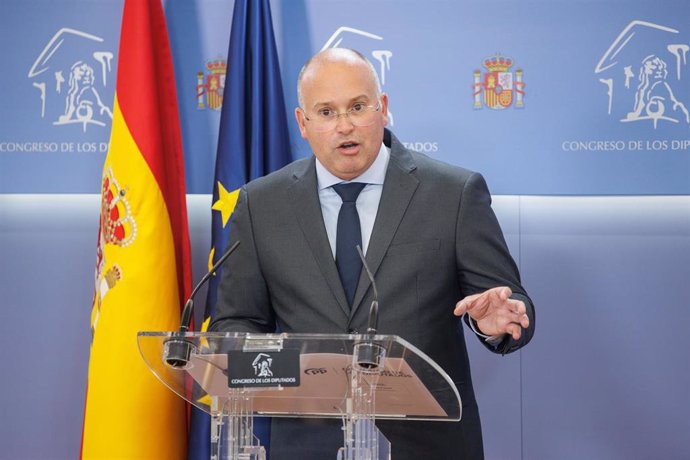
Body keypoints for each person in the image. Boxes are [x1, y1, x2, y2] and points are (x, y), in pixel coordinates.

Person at [210, 48, 535, 460]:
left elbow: (512, 302)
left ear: (382, 108)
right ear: (303, 123)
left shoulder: (453, 193)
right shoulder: (261, 205)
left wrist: (495, 322)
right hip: (308, 444)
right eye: (325, 112)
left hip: (426, 446)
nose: (344, 125)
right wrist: (267, 365)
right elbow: (238, 321)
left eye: (358, 107)